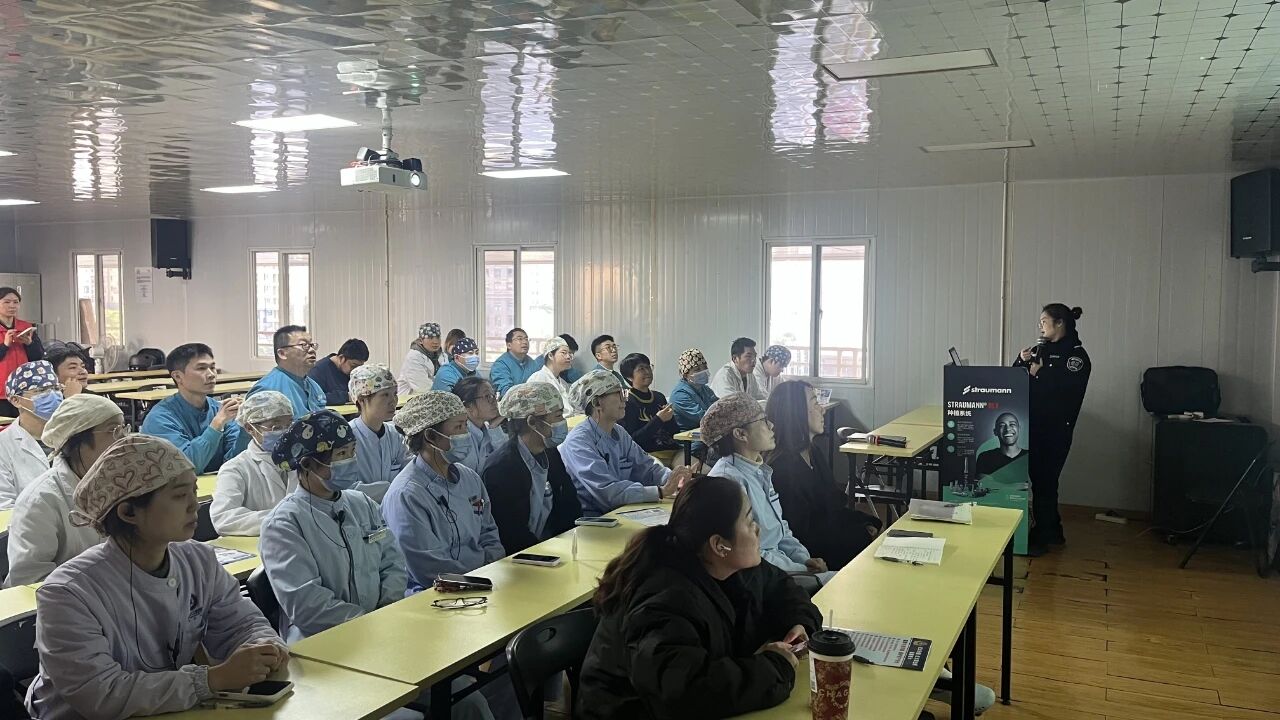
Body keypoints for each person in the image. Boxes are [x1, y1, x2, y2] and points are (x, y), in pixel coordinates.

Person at [26, 435, 288, 720]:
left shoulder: (198, 561)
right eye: (179, 495)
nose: (194, 505)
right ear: (128, 511)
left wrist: (263, 648)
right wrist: (212, 679)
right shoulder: (68, 592)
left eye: (194, 491)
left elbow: (243, 624)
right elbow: (100, 694)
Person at [578, 474, 822, 719]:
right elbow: (684, 693)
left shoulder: (734, 566)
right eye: (749, 521)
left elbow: (784, 589)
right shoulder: (666, 598)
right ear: (719, 545)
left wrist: (799, 623)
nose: (757, 529)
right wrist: (774, 667)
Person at [261, 411, 402, 640]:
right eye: (341, 454)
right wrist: (367, 624)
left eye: (352, 451)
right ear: (307, 463)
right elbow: (306, 603)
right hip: (322, 640)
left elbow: (393, 562)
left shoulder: (362, 503)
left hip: (383, 625)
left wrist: (387, 610)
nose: (351, 460)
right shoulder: (284, 524)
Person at [383, 392, 504, 593]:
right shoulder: (407, 494)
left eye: (465, 425)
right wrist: (481, 580)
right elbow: (429, 568)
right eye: (458, 427)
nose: (466, 434)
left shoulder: (470, 479)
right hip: (436, 593)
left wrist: (492, 571)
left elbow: (489, 533)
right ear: (430, 436)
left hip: (486, 581)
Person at [702, 393, 831, 582]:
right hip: (761, 576)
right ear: (740, 434)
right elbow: (752, 553)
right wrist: (802, 570)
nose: (771, 426)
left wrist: (804, 559)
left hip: (784, 567)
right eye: (762, 421)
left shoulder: (759, 470)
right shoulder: (728, 483)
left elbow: (780, 529)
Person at [5, 393, 124, 586]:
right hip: (66, 600)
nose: (124, 439)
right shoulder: (41, 500)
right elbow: (29, 580)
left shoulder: (125, 483)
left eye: (124, 428)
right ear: (78, 440)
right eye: (114, 430)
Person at [765, 380, 880, 571]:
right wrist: (857, 533)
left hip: (828, 537)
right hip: (811, 555)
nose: (823, 410)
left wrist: (863, 521)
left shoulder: (813, 451)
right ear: (796, 412)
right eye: (815, 403)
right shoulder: (783, 467)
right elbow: (802, 532)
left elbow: (833, 506)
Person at [1014, 304, 1091, 556]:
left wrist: (1040, 374)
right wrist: (1021, 360)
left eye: (1044, 321)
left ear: (1060, 323)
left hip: (1056, 430)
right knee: (1043, 482)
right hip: (1035, 426)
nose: (1040, 327)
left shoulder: (1076, 357)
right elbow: (1016, 378)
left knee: (1045, 482)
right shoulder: (1041, 350)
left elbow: (1067, 391)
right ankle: (1053, 531)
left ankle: (1042, 536)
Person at [560, 370, 692, 515]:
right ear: (597, 402)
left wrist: (675, 478)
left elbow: (647, 467)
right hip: (595, 517)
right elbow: (607, 492)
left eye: (624, 393)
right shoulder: (578, 442)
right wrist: (660, 491)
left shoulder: (618, 432)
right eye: (619, 394)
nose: (625, 400)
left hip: (623, 509)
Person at [481, 382, 581, 554]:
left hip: (557, 546)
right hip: (524, 555)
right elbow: (511, 533)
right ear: (533, 422)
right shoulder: (501, 468)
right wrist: (548, 554)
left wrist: (568, 542)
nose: (562, 422)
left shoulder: (550, 453)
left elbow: (569, 503)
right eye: (558, 416)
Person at [140, 343, 242, 474]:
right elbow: (187, 467)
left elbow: (237, 460)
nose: (211, 374)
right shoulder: (159, 418)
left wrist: (246, 427)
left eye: (212, 367)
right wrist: (216, 425)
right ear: (178, 376)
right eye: (201, 368)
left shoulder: (219, 409)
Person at [210, 391, 298, 536]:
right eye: (276, 427)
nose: (285, 433)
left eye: (289, 425)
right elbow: (223, 518)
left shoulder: (304, 460)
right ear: (250, 428)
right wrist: (284, 518)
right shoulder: (235, 469)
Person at [0, 360, 61, 508]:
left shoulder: (74, 434)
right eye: (41, 390)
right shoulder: (3, 446)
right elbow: (4, 504)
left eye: (56, 388)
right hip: (25, 520)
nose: (53, 396)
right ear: (16, 400)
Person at [346, 364, 410, 502]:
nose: (393, 401)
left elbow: (409, 473)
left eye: (395, 394)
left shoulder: (395, 435)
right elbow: (347, 489)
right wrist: (390, 488)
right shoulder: (346, 438)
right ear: (362, 400)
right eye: (385, 395)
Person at [619, 353, 681, 457]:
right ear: (629, 377)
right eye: (641, 369)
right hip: (647, 456)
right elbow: (632, 440)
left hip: (673, 450)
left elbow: (675, 433)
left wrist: (670, 419)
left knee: (699, 466)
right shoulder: (627, 402)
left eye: (648, 367)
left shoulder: (659, 397)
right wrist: (658, 420)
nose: (647, 372)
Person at [0, 286, 45, 418]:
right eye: (7, 302)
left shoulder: (26, 327)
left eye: (16, 302)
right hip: (1, 391)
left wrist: (29, 344)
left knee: (24, 424)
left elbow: (39, 357)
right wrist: (5, 345)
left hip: (24, 388)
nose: (12, 305)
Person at [451, 376, 507, 474]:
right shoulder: (459, 436)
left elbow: (506, 461)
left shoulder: (486, 429)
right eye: (487, 396)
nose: (494, 401)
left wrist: (494, 427)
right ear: (468, 405)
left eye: (494, 395)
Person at [669, 348, 718, 457]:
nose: (703, 371)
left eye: (704, 367)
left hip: (706, 436)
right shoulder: (680, 394)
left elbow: (720, 407)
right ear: (685, 374)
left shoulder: (705, 389)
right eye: (697, 369)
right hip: (690, 443)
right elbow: (705, 418)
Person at [307, 338, 369, 405]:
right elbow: (314, 397)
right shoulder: (318, 370)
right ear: (341, 358)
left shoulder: (353, 372)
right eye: (353, 366)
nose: (356, 370)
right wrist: (347, 397)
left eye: (360, 367)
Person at [528, 336, 576, 415]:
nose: (568, 357)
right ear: (550, 355)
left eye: (570, 354)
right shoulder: (538, 378)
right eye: (564, 353)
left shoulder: (563, 383)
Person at [975, 412, 1028, 478]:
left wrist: (994, 482)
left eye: (1012, 424)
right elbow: (983, 481)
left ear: (1019, 428)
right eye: (1002, 425)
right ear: (995, 432)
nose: (1007, 429)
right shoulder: (985, 458)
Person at [711, 337, 764, 402]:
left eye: (755, 356)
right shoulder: (724, 375)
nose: (754, 360)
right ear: (735, 358)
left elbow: (759, 398)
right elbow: (731, 402)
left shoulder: (750, 375)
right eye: (748, 356)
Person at [489, 327, 539, 396]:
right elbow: (505, 392)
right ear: (509, 345)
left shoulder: (532, 363)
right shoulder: (500, 365)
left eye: (526, 339)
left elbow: (539, 384)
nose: (525, 342)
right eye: (520, 339)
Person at [399, 322, 443, 396]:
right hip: (410, 398)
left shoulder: (442, 355)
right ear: (421, 340)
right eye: (430, 338)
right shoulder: (413, 357)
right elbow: (423, 387)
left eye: (438, 337)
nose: (435, 342)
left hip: (433, 396)